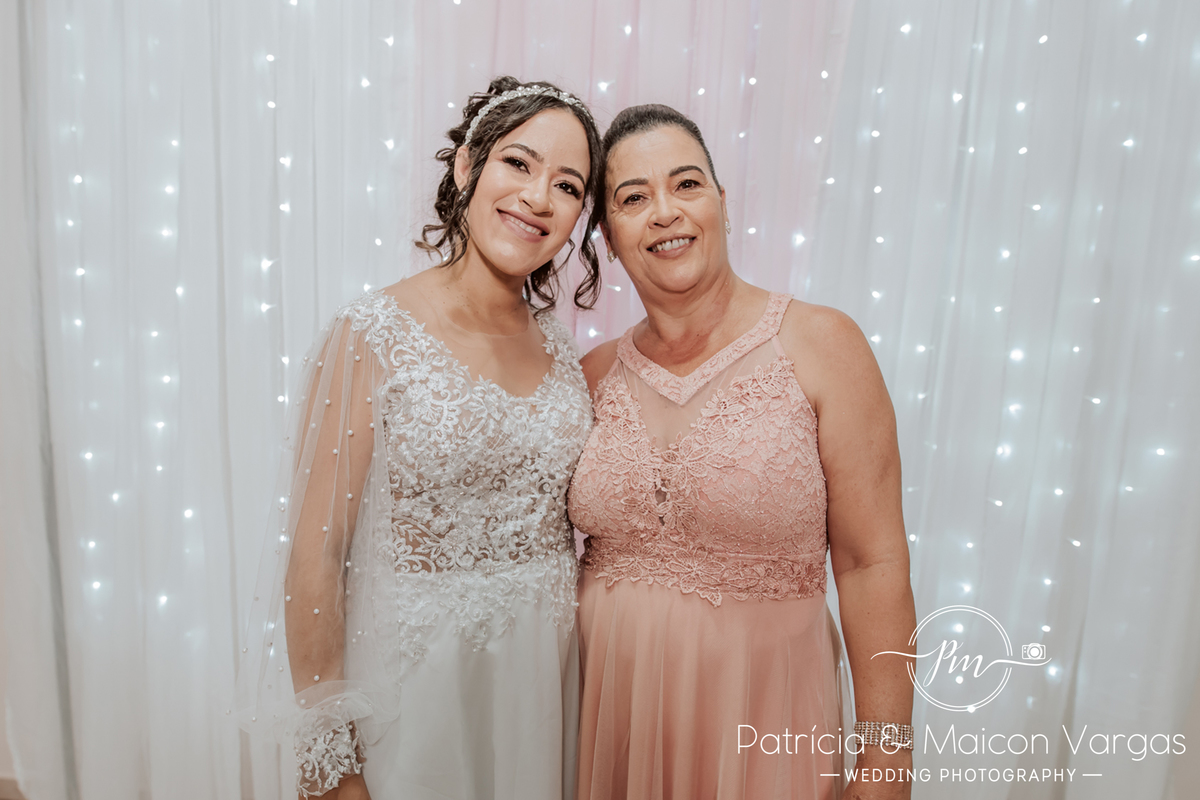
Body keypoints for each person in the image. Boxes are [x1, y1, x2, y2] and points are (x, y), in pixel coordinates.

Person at [235, 76, 602, 800]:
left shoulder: (563, 351)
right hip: (418, 696)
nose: (538, 198)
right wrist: (331, 759)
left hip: (542, 688)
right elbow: (316, 556)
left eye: (567, 186)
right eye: (518, 163)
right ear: (467, 166)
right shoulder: (372, 334)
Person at [568, 104, 918, 800]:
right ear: (608, 235)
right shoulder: (590, 375)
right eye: (634, 198)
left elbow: (871, 562)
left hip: (764, 718)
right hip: (609, 721)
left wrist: (887, 757)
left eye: (686, 184)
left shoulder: (823, 344)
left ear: (723, 204)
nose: (665, 212)